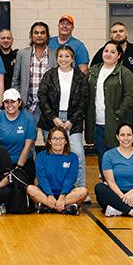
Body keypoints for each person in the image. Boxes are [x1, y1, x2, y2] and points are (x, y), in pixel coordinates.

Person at [36, 45, 89, 188]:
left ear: (72, 59)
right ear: (56, 58)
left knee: (77, 153)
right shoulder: (50, 75)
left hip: (73, 121)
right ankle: (50, 188)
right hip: (51, 120)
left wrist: (72, 120)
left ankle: (79, 188)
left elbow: (84, 102)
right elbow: (42, 97)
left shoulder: (80, 77)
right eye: (61, 56)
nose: (63, 59)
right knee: (52, 155)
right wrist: (54, 118)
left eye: (67, 56)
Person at [86, 41, 133, 170]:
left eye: (113, 52)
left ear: (119, 55)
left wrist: (118, 114)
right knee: (103, 158)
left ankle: (121, 186)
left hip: (116, 124)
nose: (108, 54)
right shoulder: (93, 71)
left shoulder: (124, 73)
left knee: (117, 157)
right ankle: (105, 185)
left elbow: (131, 96)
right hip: (97, 123)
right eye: (106, 51)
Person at [94, 124, 133, 219]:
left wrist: (130, 194)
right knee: (99, 188)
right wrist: (122, 196)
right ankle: (132, 212)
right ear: (117, 137)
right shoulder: (108, 155)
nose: (126, 138)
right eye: (122, 135)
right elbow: (110, 182)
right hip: (115, 193)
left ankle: (117, 209)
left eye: (129, 135)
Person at [29, 127, 88, 214]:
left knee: (83, 191)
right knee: (30, 189)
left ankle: (49, 206)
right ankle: (65, 207)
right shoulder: (41, 156)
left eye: (61, 138)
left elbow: (70, 178)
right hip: (46, 194)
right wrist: (49, 195)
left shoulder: (72, 157)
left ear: (66, 141)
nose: (58, 141)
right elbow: (42, 178)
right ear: (49, 141)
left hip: (66, 194)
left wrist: (62, 196)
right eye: (54, 138)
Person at [11, 22, 57, 125]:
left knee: (49, 138)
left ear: (47, 36)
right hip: (26, 106)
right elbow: (15, 80)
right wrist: (18, 101)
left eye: (42, 33)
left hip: (49, 106)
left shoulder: (55, 54)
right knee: (28, 139)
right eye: (36, 33)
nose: (39, 35)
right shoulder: (22, 54)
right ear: (31, 36)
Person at [0, 89, 37, 170]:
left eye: (13, 101)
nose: (9, 105)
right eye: (6, 102)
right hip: (3, 161)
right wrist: (4, 166)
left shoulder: (29, 118)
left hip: (24, 161)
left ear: (19, 102)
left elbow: (28, 145)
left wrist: (18, 168)